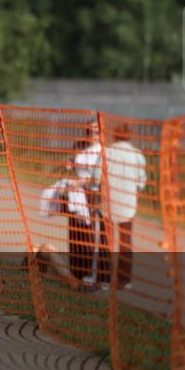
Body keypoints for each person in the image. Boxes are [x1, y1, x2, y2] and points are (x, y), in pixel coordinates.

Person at [67, 119, 110, 286]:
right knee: (77, 234)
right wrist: (69, 165)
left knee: (94, 236)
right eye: (89, 131)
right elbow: (73, 165)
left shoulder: (103, 151)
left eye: (96, 131)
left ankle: (100, 276)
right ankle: (78, 273)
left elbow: (98, 178)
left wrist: (80, 183)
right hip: (77, 195)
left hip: (94, 196)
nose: (92, 134)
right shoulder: (79, 146)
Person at [105, 123, 147, 289]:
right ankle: (125, 280)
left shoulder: (107, 152)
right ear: (129, 135)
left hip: (108, 202)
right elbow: (141, 183)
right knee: (125, 241)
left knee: (106, 240)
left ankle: (106, 277)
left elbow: (98, 176)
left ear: (115, 135)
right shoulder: (137, 154)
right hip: (128, 203)